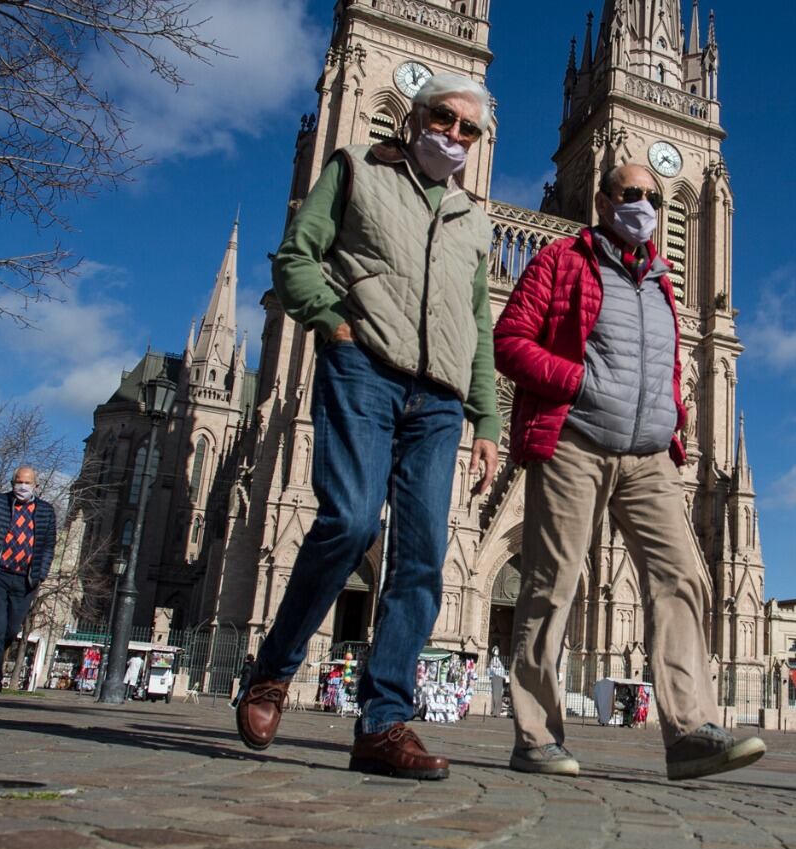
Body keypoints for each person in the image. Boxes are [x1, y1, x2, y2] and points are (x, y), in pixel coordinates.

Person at [233, 72, 499, 782]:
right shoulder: (355, 167)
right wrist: (334, 324)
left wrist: (486, 417)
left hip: (439, 400)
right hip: (364, 371)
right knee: (349, 522)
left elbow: (478, 322)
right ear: (412, 118)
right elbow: (296, 257)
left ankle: (382, 722)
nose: (454, 135)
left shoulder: (473, 218)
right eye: (443, 118)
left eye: (469, 128)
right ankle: (273, 669)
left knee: (422, 557)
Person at [493, 163, 767, 781]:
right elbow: (508, 340)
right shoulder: (560, 259)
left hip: (649, 457)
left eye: (655, 197)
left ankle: (691, 731)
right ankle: (536, 736)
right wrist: (576, 383)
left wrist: (674, 423)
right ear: (601, 200)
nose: (644, 204)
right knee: (551, 582)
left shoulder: (664, 281)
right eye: (631, 193)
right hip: (575, 442)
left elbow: (665, 365)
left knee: (682, 577)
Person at [0, 466, 58, 700]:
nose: (23, 486)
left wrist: (41, 573)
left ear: (36, 485)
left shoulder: (46, 512)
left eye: (27, 482)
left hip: (25, 579)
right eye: (19, 481)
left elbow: (48, 545)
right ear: (12, 483)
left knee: (10, 630)